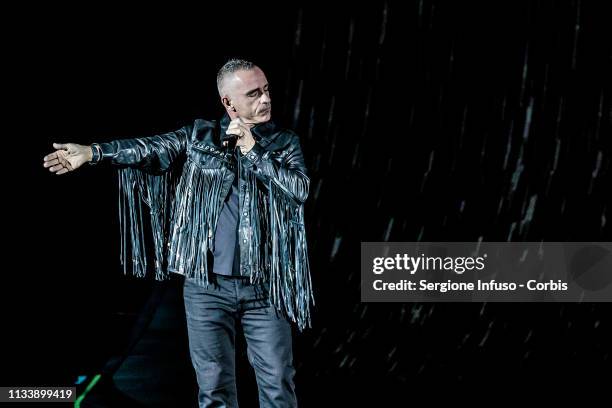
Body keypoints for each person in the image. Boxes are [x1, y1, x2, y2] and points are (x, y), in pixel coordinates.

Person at [42, 59, 314, 407]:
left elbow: (299, 190)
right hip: (206, 288)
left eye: (266, 90)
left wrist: (253, 149)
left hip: (266, 286)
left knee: (278, 382)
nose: (265, 99)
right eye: (254, 94)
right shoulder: (199, 137)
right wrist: (94, 152)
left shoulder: (283, 143)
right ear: (229, 103)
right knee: (214, 387)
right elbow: (148, 148)